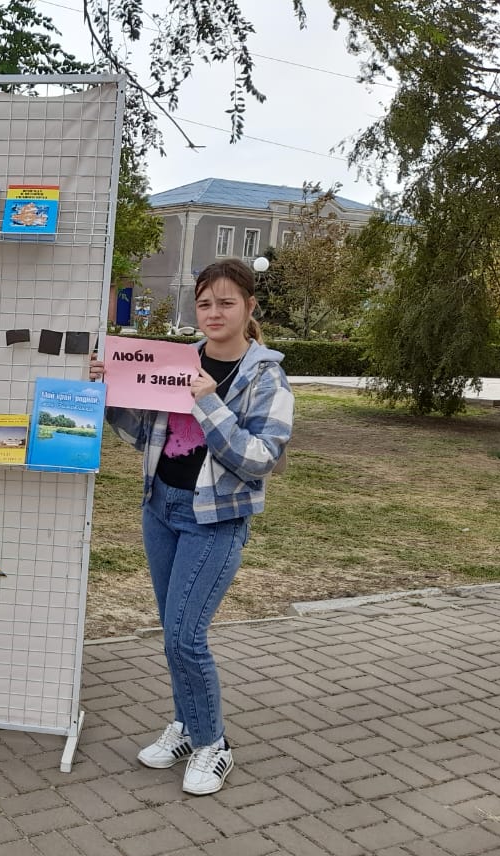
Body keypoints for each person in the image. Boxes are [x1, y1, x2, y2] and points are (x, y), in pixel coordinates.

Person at [89, 258, 292, 796]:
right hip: (162, 507)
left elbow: (260, 458)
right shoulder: (179, 359)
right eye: (205, 303)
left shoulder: (264, 375)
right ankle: (187, 727)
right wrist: (111, 393)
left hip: (216, 519)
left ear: (250, 308)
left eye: (226, 302)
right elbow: (146, 435)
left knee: (185, 636)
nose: (214, 313)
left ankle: (214, 745)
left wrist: (208, 402)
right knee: (172, 634)